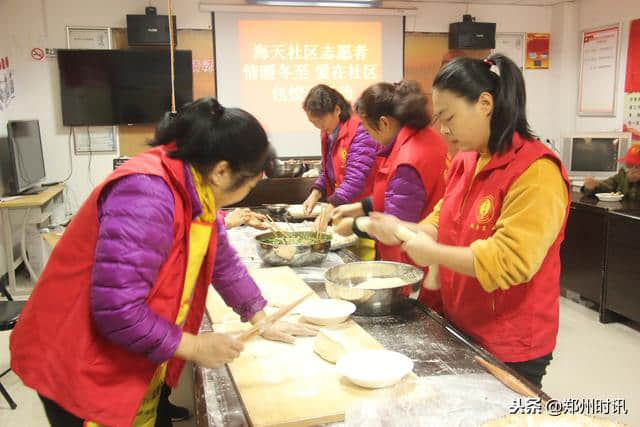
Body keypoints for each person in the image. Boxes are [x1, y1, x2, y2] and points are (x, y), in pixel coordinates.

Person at [10, 97, 317, 427]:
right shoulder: (146, 194)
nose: (249, 190)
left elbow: (221, 260)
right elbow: (118, 309)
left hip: (123, 349)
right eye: (251, 183)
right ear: (222, 171)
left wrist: (260, 316)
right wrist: (195, 346)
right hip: (79, 357)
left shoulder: (194, 181)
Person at [367, 55, 570, 389]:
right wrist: (401, 229)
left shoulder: (537, 172)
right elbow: (441, 221)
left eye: (449, 117)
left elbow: (511, 260)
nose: (442, 129)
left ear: (485, 103)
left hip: (509, 341)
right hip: (463, 323)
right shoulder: (467, 159)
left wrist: (433, 254)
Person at [332, 80, 448, 311]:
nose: (367, 135)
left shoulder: (409, 158)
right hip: (428, 254)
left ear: (384, 123)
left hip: (416, 267)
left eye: (366, 127)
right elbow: (396, 195)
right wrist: (358, 208)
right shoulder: (423, 138)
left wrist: (352, 226)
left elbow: (394, 229)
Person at [301, 84, 378, 214]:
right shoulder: (328, 131)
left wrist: (330, 208)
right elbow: (329, 169)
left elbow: (355, 179)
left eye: (320, 120)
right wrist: (316, 191)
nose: (318, 127)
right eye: (313, 122)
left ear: (337, 110)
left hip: (365, 209)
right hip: (345, 207)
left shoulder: (360, 130)